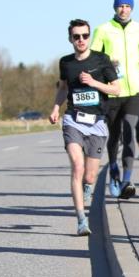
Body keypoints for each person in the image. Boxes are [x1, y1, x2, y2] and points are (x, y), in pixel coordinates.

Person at [49, 19, 120, 235]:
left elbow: (116, 89)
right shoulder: (66, 63)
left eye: (85, 36)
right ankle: (81, 219)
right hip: (73, 120)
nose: (81, 40)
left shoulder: (102, 60)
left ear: (89, 36)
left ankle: (88, 186)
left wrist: (94, 83)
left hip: (97, 123)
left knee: (89, 176)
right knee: (77, 167)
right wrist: (55, 108)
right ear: (70, 38)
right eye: (76, 36)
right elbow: (63, 88)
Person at [90, 0, 139, 200]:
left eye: (127, 6)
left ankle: (127, 179)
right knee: (114, 135)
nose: (123, 10)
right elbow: (93, 58)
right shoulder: (103, 30)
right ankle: (113, 166)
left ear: (132, 7)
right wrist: (107, 63)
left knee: (129, 129)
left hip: (134, 88)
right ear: (114, 7)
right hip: (113, 91)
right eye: (120, 6)